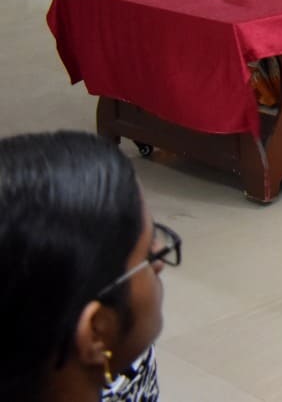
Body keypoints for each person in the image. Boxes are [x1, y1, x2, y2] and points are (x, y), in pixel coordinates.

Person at [0, 130, 179, 402]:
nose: (159, 260)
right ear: (96, 331)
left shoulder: (123, 357)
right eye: (147, 256)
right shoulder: (116, 359)